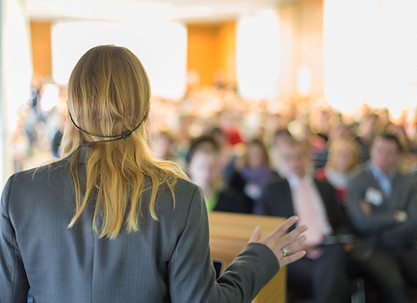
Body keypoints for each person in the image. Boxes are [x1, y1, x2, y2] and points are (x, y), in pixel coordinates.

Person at [0, 45, 307, 303]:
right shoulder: (180, 197)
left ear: (71, 110)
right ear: (146, 113)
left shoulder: (20, 191)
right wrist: (259, 260)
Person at [255, 138, 351, 303]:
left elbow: (341, 223)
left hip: (328, 248)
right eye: (289, 158)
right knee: (334, 278)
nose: (295, 162)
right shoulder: (272, 190)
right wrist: (289, 244)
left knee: (334, 258)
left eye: (299, 156)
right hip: (293, 253)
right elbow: (264, 228)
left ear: (308, 157)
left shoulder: (325, 188)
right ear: (281, 161)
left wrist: (344, 239)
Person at [347, 133, 417, 303]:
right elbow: (362, 223)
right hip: (372, 248)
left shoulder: (407, 182)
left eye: (390, 152)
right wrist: (397, 216)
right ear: (371, 150)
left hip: (403, 245)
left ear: (399, 156)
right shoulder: (357, 180)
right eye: (379, 150)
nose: (383, 156)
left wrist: (378, 220)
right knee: (395, 286)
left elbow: (413, 221)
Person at [186, 135, 252, 213]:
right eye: (201, 167)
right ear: (190, 168)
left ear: (219, 169)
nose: (206, 174)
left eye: (212, 168)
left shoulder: (232, 201)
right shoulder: (180, 200)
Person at [315, 137, 361, 205]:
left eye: (348, 155)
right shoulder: (321, 176)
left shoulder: (360, 177)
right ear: (332, 156)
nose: (344, 158)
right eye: (340, 154)